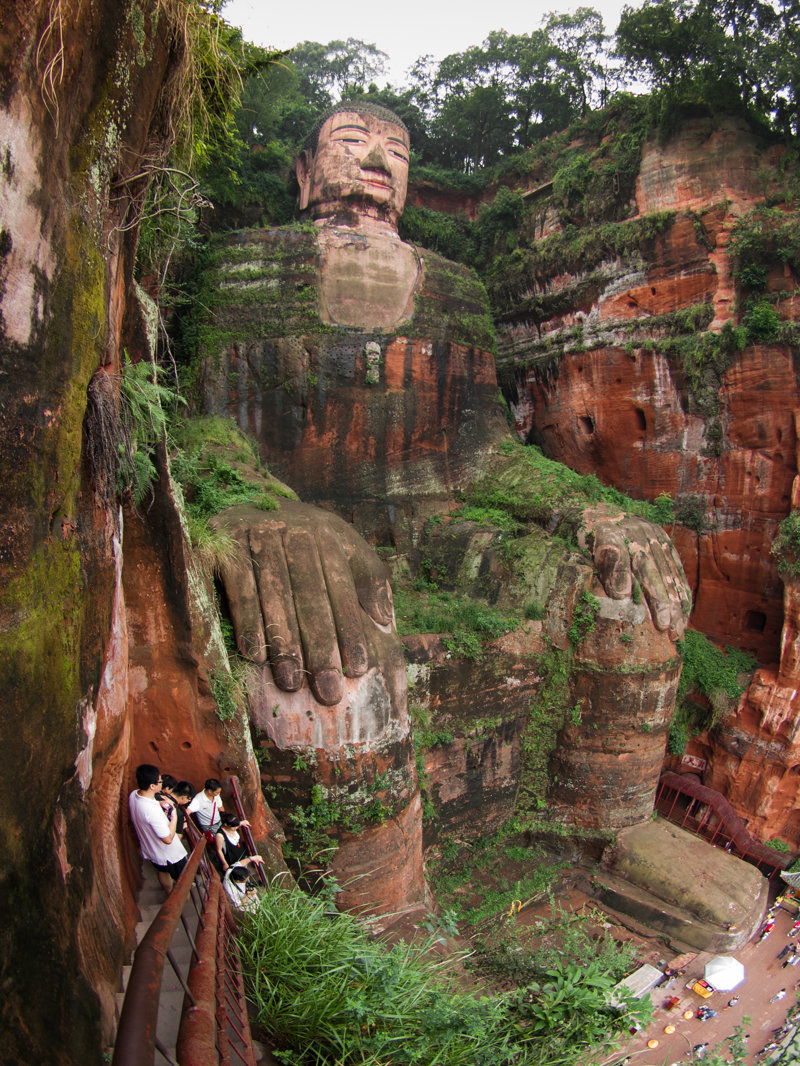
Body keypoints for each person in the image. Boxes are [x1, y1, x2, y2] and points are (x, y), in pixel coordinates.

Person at [129, 764, 188, 894]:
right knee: (184, 881)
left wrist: (159, 803)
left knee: (162, 871)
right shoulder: (151, 811)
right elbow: (167, 839)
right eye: (160, 782)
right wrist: (174, 818)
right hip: (171, 856)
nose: (162, 784)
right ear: (152, 786)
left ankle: (168, 892)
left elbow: (148, 804)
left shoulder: (134, 795)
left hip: (152, 851)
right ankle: (184, 900)